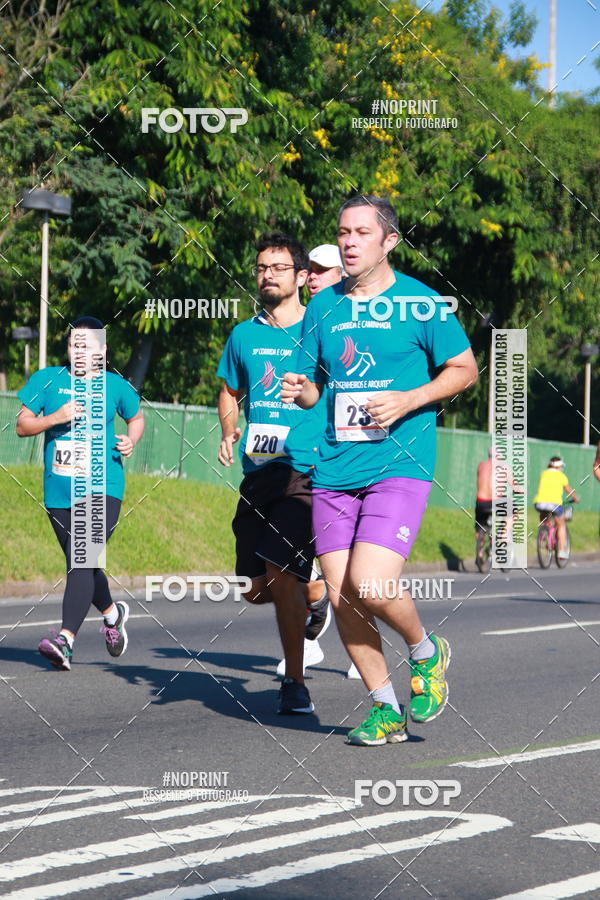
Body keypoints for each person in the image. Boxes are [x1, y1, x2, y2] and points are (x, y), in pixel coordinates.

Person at [282, 195, 478, 746]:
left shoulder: (421, 304)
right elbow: (314, 384)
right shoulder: (323, 306)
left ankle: (425, 650)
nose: (348, 242)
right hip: (335, 467)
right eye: (342, 232)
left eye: (361, 233)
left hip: (400, 462)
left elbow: (465, 370)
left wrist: (410, 398)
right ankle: (385, 708)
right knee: (343, 594)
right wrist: (302, 393)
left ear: (388, 241)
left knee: (371, 584)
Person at [217, 232, 330, 715]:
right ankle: (317, 593)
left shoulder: (322, 330)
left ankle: (295, 684)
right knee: (257, 589)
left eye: (278, 267)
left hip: (303, 470)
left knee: (281, 575)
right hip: (257, 471)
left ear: (302, 277)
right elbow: (228, 389)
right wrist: (228, 429)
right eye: (262, 267)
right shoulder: (244, 335)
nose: (267, 274)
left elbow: (340, 390)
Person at [16, 316, 144, 670]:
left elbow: (137, 418)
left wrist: (130, 440)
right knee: (82, 563)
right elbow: (22, 425)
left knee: (82, 558)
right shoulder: (48, 380)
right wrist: (54, 417)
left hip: (104, 486)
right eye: (74, 345)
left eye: (87, 346)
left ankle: (65, 640)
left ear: (102, 351)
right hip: (58, 491)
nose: (79, 352)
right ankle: (112, 613)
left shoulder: (115, 386)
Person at [533, 456, 579, 558]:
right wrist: (575, 498)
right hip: (554, 504)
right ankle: (562, 551)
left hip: (539, 502)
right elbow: (568, 490)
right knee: (561, 525)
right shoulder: (561, 476)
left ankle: (544, 532)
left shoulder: (543, 473)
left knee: (543, 514)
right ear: (559, 467)